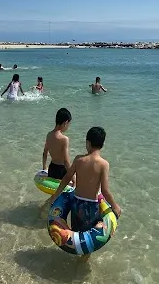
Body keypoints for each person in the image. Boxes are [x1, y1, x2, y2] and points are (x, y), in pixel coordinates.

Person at [49, 127, 122, 258]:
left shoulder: (79, 160)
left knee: (76, 234)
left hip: (76, 204)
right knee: (87, 242)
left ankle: (75, 258)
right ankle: (82, 261)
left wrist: (55, 196)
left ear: (88, 143)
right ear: (102, 144)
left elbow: (66, 178)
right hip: (91, 207)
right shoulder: (104, 164)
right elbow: (105, 190)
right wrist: (115, 206)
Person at [43, 108, 72, 181]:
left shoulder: (49, 135)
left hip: (52, 169)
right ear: (65, 123)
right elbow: (66, 161)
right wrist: (73, 177)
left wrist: (44, 167)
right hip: (61, 171)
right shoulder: (64, 139)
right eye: (68, 124)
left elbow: (45, 152)